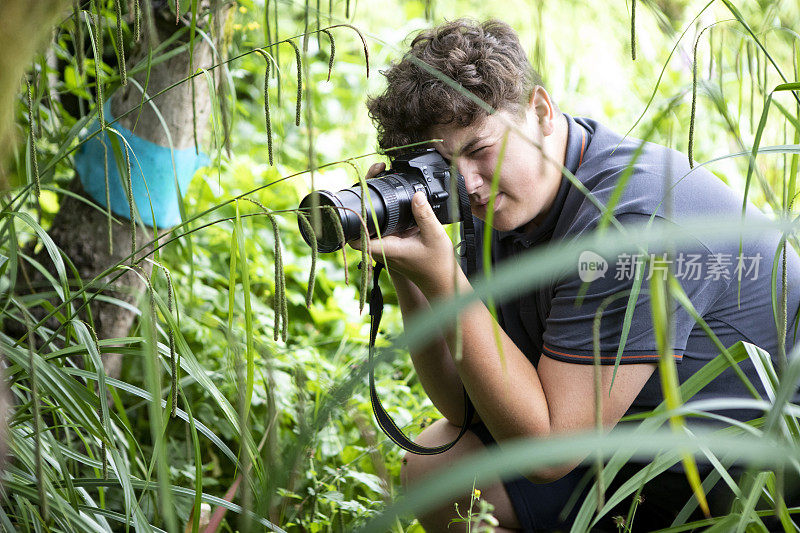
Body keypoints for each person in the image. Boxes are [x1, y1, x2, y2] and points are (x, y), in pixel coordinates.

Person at [354, 18, 800, 532]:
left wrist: (447, 284)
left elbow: (549, 454)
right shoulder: (500, 197)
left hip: (753, 482)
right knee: (441, 469)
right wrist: (410, 272)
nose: (469, 184)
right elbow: (466, 409)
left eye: (480, 150)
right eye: (445, 167)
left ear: (541, 111)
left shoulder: (629, 226)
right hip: (632, 455)